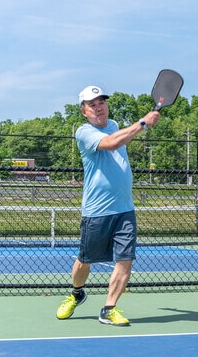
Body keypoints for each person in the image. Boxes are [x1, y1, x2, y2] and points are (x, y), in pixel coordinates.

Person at [56, 85, 160, 326]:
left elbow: (120, 135)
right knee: (85, 261)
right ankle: (76, 293)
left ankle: (109, 308)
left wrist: (138, 126)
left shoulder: (113, 124)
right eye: (92, 105)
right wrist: (142, 123)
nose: (98, 107)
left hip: (125, 209)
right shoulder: (84, 133)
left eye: (101, 102)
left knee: (126, 260)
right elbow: (112, 143)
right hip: (96, 210)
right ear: (84, 111)